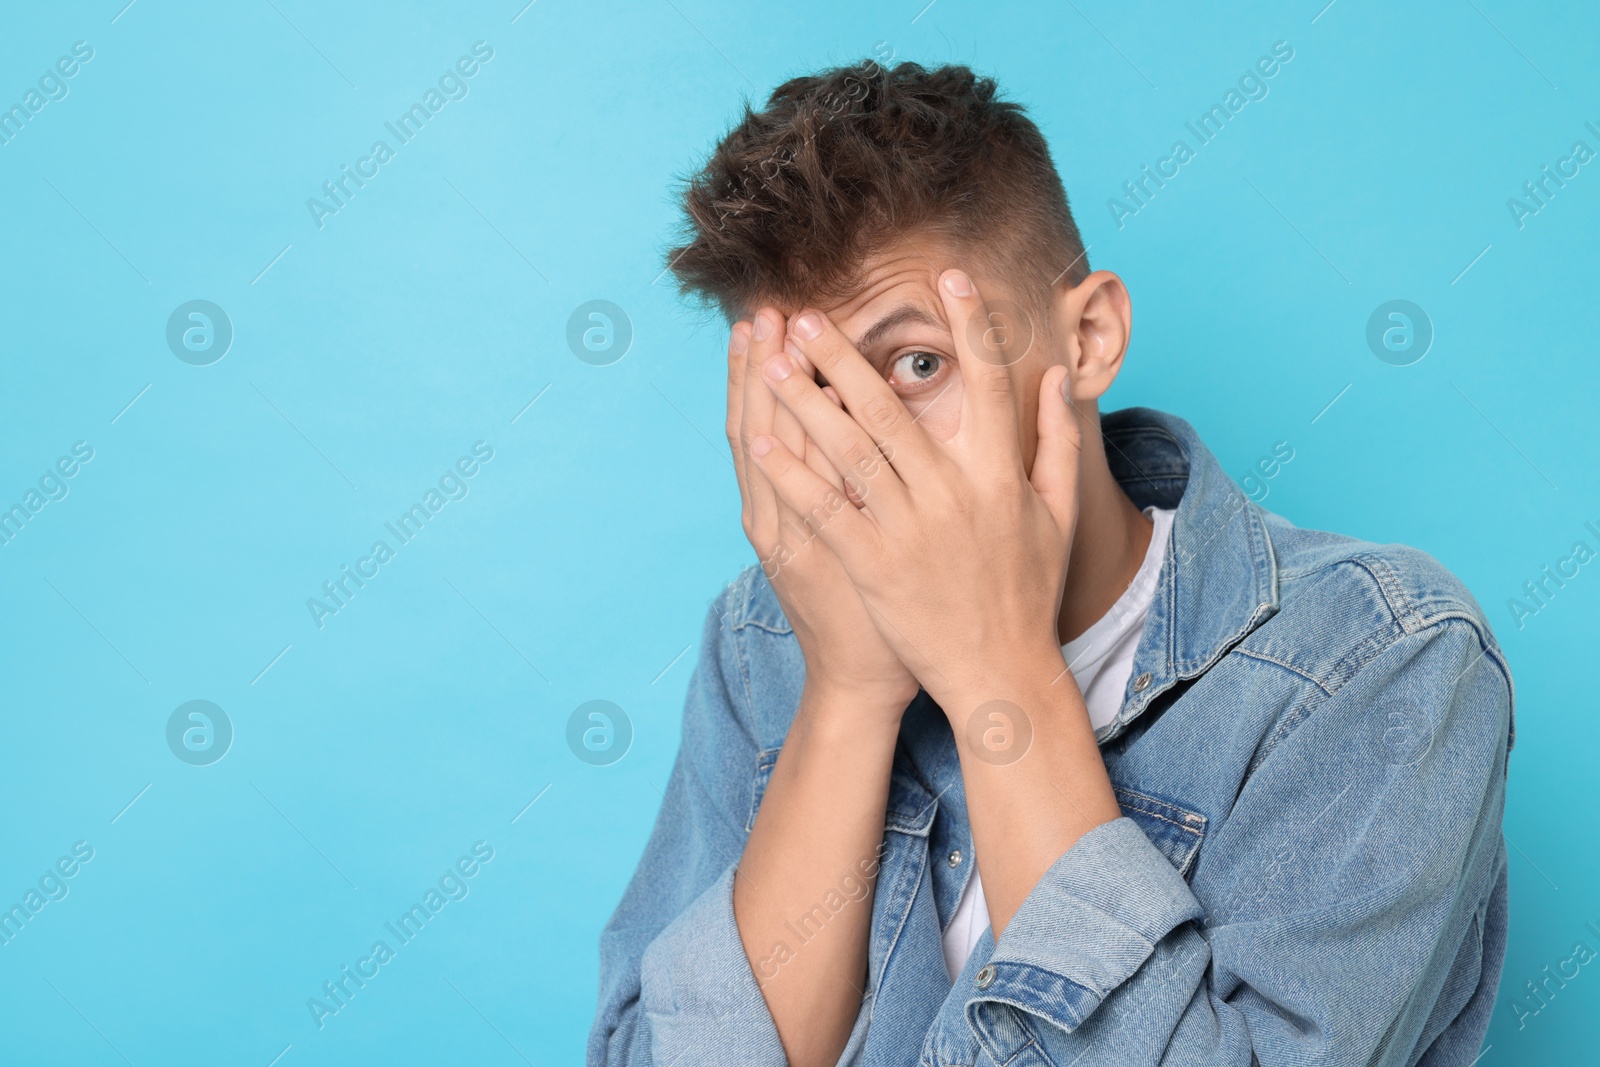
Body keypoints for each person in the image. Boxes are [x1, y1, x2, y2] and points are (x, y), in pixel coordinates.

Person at [589, 59, 1513, 1067]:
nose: (861, 446)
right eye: (810, 392)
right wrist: (848, 693)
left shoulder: (1384, 659)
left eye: (914, 364)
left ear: (1089, 337)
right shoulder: (761, 641)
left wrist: (997, 670)